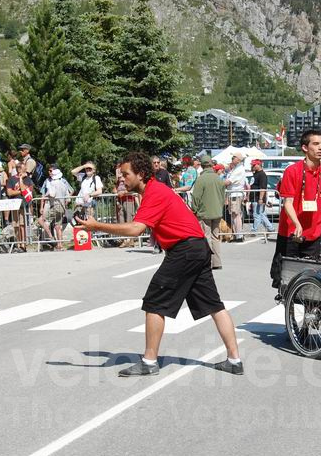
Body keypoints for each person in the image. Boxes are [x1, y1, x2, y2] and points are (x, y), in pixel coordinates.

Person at [79, 152, 243, 376]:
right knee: (214, 305)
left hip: (185, 250)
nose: (122, 179)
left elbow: (136, 228)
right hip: (197, 247)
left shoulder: (154, 192)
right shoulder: (157, 190)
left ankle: (149, 362)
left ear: (141, 174)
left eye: (126, 174)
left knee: (154, 303)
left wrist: (97, 225)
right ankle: (234, 360)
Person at [270, 130, 321, 291]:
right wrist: (297, 224)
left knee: (312, 279)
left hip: (313, 234)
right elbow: (287, 202)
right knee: (286, 280)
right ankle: (290, 308)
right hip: (290, 233)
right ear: (305, 148)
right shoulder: (292, 171)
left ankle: (309, 311)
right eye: (315, 144)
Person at [190, 155, 225, 268]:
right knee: (215, 237)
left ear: (202, 165)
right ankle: (217, 262)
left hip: (204, 213)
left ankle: (207, 263)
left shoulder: (201, 179)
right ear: (211, 164)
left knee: (206, 237)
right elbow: (222, 196)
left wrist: (194, 210)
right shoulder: (218, 178)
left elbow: (196, 197)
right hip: (217, 212)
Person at [39, 166, 72, 247]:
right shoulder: (63, 184)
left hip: (54, 205)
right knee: (58, 225)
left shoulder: (53, 183)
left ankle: (51, 237)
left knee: (41, 220)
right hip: (62, 206)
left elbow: (51, 194)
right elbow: (68, 198)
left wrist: (46, 196)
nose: (49, 172)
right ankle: (60, 244)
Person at [249, 159, 274, 242]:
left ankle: (254, 230)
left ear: (258, 165)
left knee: (257, 214)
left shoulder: (262, 175)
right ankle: (270, 228)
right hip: (254, 198)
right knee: (261, 214)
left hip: (258, 198)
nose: (252, 166)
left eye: (254, 165)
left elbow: (263, 187)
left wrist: (261, 198)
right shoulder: (255, 174)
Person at [225, 153, 246, 242]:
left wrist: (216, 183)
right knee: (234, 215)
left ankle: (239, 236)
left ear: (238, 159)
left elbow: (228, 182)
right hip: (232, 194)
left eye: (233, 157)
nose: (232, 158)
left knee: (236, 215)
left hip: (235, 194)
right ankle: (236, 235)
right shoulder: (235, 169)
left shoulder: (239, 169)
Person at [114, 166, 137, 248]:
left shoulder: (128, 178)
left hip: (129, 200)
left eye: (119, 171)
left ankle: (131, 240)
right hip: (120, 201)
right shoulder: (118, 181)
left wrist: (124, 192)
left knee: (129, 219)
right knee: (121, 220)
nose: (118, 173)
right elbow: (115, 189)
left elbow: (133, 187)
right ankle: (124, 240)